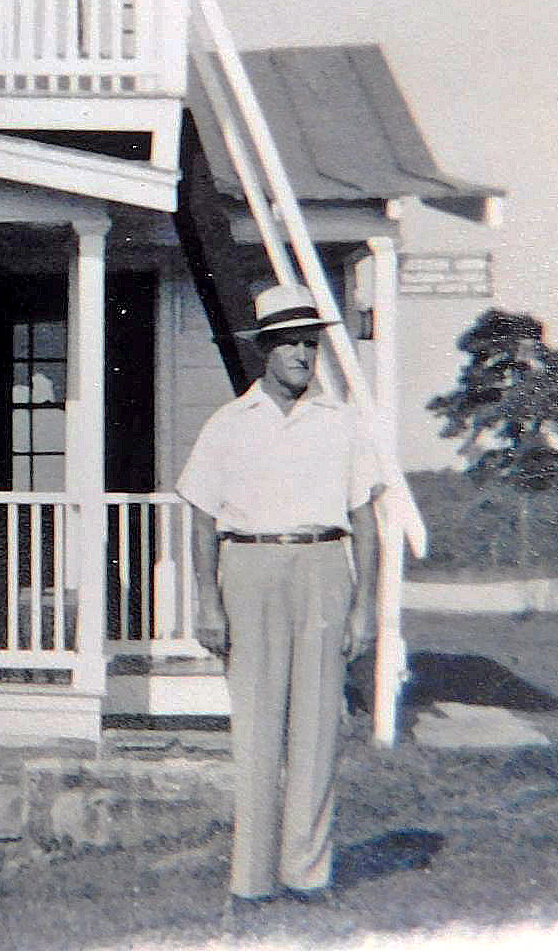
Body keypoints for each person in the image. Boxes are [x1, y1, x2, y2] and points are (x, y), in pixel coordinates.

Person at [176, 282, 384, 911]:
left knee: (318, 726)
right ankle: (252, 880)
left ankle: (307, 874)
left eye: (309, 343)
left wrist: (365, 606)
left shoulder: (342, 422)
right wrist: (207, 603)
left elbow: (366, 522)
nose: (301, 354)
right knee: (258, 729)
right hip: (250, 569)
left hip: (324, 566)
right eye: (289, 343)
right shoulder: (228, 424)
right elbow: (202, 520)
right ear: (264, 350)